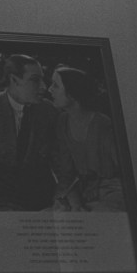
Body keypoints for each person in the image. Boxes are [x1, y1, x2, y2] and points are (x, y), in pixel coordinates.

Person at [0, 54, 60, 211]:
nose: (44, 87)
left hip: (36, 196)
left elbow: (62, 154)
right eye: (35, 80)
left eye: (42, 79)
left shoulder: (47, 110)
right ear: (14, 80)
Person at [48, 65, 125, 212]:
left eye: (56, 85)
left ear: (72, 93)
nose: (50, 89)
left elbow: (125, 172)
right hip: (80, 191)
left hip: (112, 191)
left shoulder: (103, 124)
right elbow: (66, 173)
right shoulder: (63, 122)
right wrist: (72, 200)